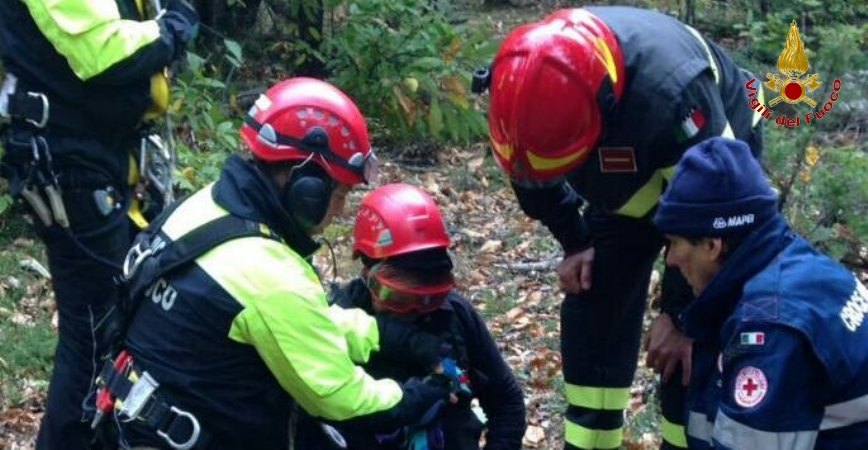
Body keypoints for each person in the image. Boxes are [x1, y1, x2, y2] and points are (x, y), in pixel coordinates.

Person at [103, 78, 452, 449]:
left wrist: (390, 337)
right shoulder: (271, 273)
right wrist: (421, 393)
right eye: (340, 193)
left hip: (134, 421)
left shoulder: (206, 207)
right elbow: (344, 400)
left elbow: (296, 321)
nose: (341, 210)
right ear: (307, 187)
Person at [473, 7, 766, 449]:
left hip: (708, 183)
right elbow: (529, 173)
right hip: (624, 187)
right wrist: (575, 241)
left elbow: (715, 223)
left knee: (685, 353)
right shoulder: (524, 91)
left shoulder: (672, 93)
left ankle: (686, 438)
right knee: (593, 310)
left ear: (605, 109)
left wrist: (683, 316)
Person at [0, 1, 199, 448]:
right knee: (95, 333)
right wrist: (172, 29)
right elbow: (104, 52)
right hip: (71, 164)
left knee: (124, 314)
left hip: (101, 157)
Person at [653, 136, 868, 449]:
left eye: (675, 242)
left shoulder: (770, 327)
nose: (669, 259)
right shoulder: (793, 261)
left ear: (712, 246)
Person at [296, 183, 527, 450]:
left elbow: (506, 401)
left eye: (429, 297)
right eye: (399, 298)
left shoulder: (455, 315)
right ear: (366, 272)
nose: (414, 310)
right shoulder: (340, 318)